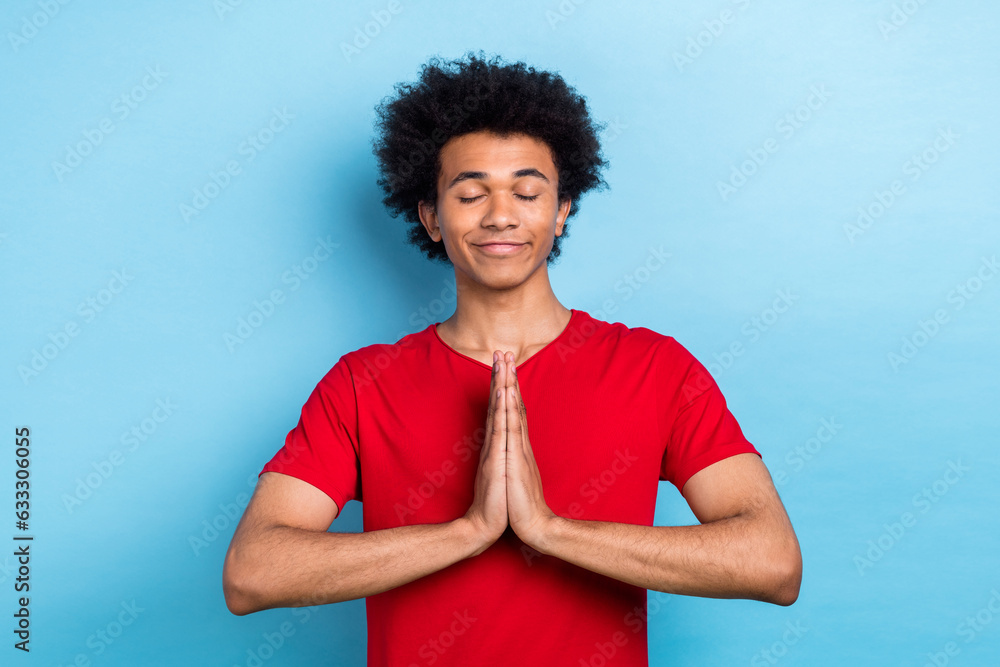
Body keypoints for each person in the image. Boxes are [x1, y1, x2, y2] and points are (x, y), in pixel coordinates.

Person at [222, 51, 802, 666]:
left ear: (561, 210)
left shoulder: (655, 368)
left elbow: (772, 563)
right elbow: (252, 573)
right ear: (431, 218)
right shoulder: (363, 384)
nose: (501, 215)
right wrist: (468, 532)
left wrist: (550, 531)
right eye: (471, 194)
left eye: (527, 192)